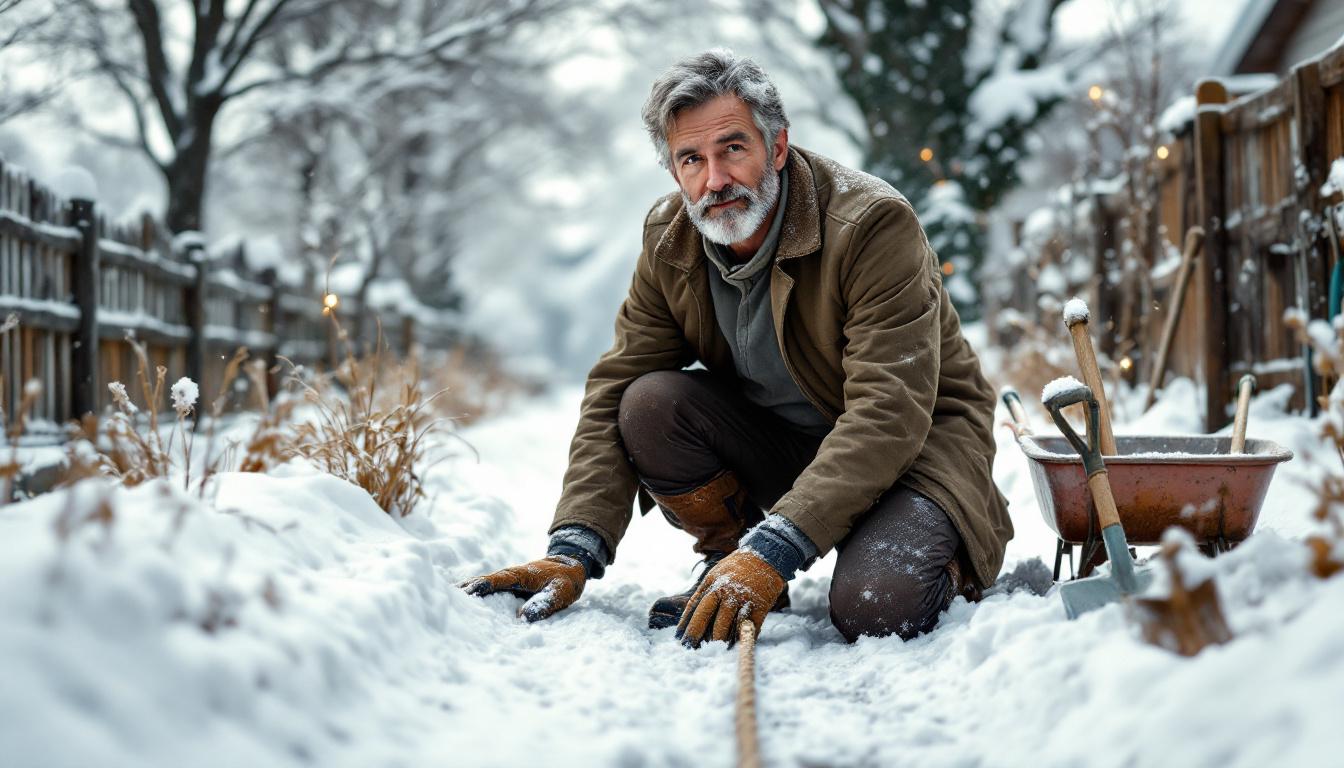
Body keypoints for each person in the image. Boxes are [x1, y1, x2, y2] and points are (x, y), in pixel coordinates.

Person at [460, 49, 1011, 646]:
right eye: (691, 159)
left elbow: (890, 412)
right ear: (674, 172)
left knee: (878, 607)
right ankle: (730, 562)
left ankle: (942, 552)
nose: (714, 179)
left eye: (733, 149)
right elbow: (617, 385)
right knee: (648, 403)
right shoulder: (670, 238)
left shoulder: (872, 224)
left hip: (915, 447)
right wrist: (575, 544)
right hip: (784, 444)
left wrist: (778, 548)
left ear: (776, 147)